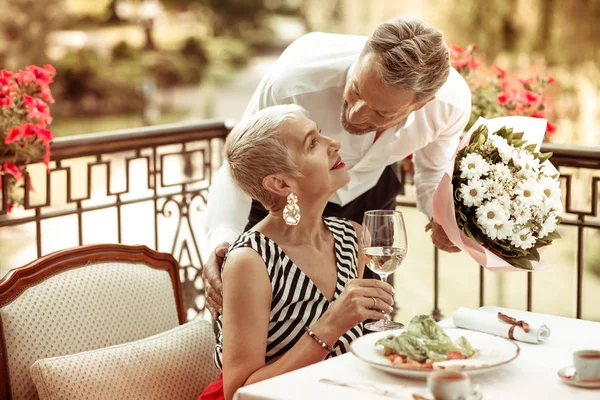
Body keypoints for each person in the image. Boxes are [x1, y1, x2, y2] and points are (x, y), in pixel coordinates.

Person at [202, 17, 471, 318]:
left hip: (369, 205)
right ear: (361, 58)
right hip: (283, 204)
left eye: (381, 112)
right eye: (355, 90)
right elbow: (239, 163)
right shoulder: (295, 81)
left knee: (369, 322)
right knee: (264, 319)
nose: (356, 114)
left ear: (420, 104)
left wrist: (442, 218)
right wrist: (221, 241)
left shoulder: (450, 107)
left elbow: (433, 170)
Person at [198, 105, 395, 400]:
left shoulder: (351, 237)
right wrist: (332, 324)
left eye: (320, 134)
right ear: (280, 183)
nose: (334, 144)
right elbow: (238, 391)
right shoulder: (250, 261)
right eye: (312, 143)